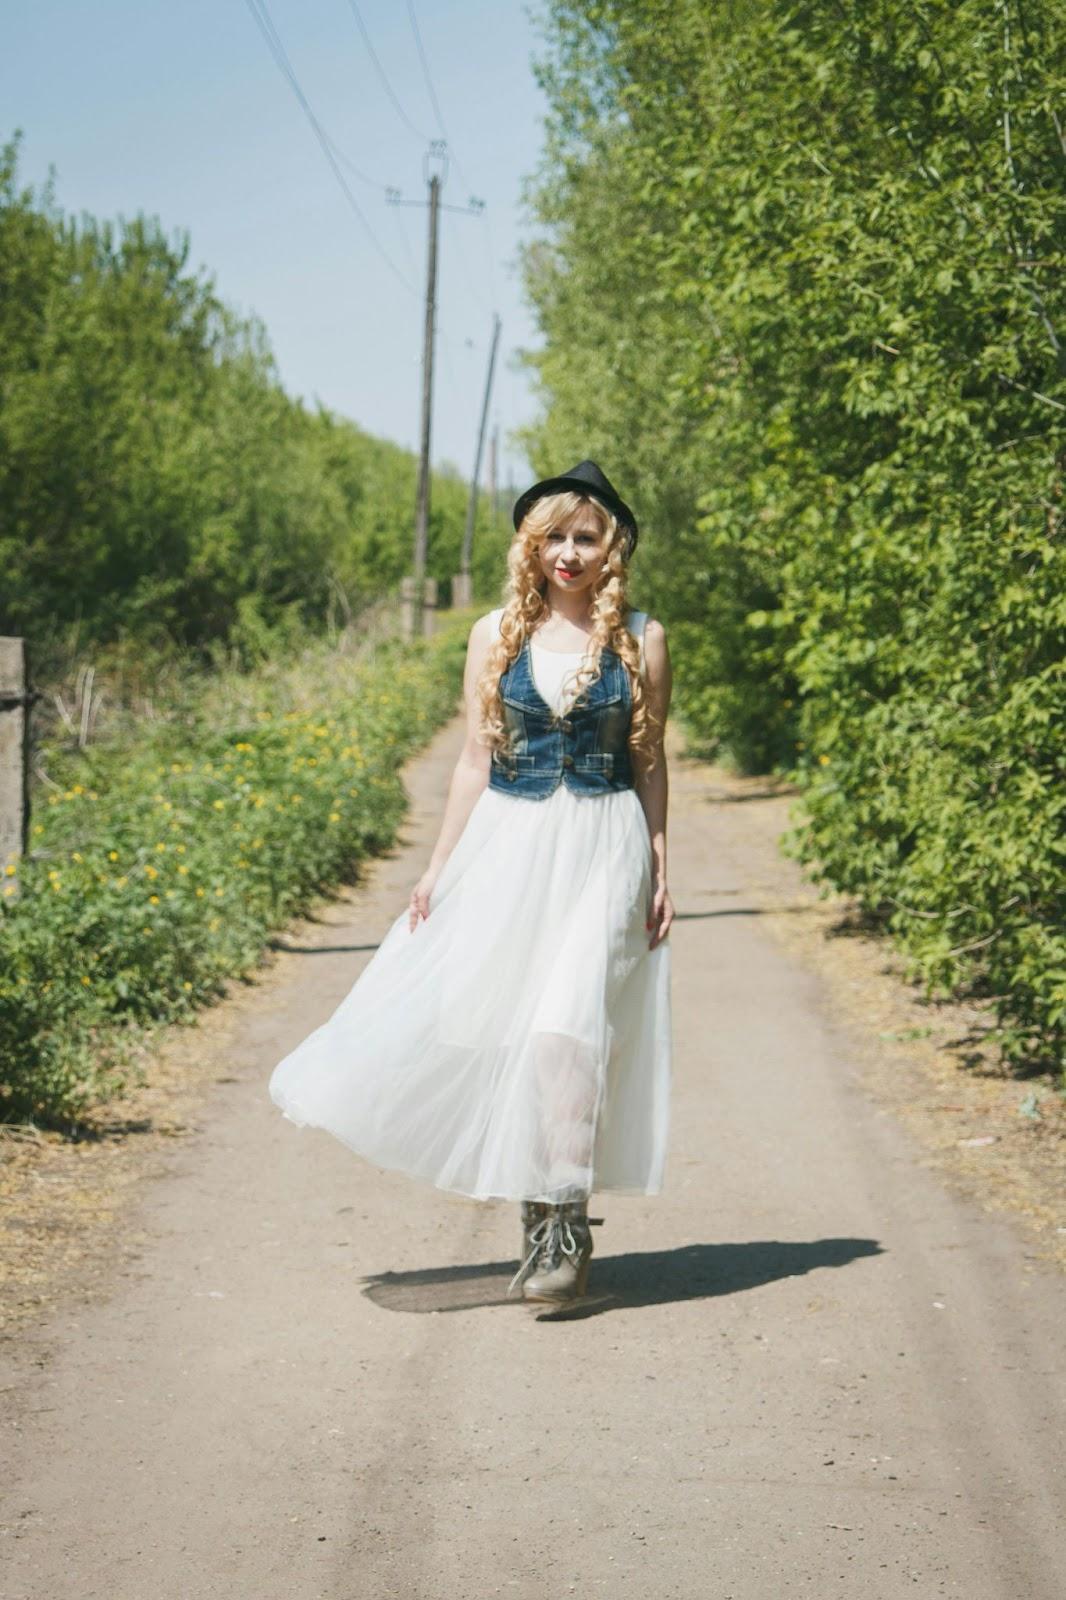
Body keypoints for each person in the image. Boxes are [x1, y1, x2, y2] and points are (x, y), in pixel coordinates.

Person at [268, 459, 674, 1306]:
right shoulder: (496, 633)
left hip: (604, 845)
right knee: (519, 1034)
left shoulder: (642, 634)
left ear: (611, 549)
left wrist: (662, 866)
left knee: (571, 1032)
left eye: (586, 537)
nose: (569, 552)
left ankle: (566, 1224)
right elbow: (473, 758)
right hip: (511, 843)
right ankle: (540, 1216)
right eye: (555, 536)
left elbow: (649, 761)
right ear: (532, 544)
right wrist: (439, 866)